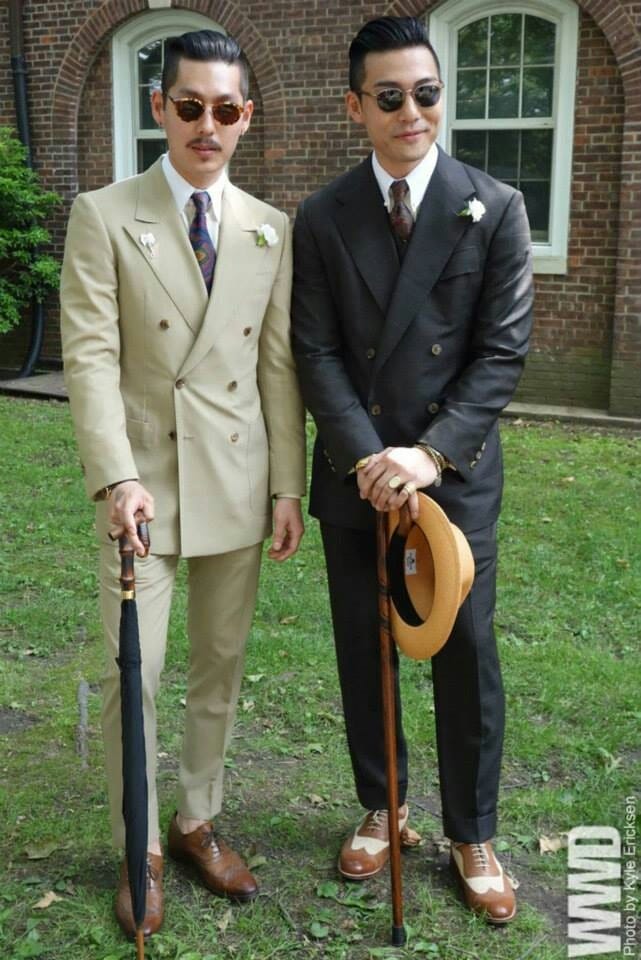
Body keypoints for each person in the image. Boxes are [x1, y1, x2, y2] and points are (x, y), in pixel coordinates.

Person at [60, 30, 305, 940]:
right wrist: (114, 476)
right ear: (160, 108)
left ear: (247, 118)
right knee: (139, 670)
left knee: (218, 670)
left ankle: (195, 819)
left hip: (239, 483)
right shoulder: (102, 212)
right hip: (145, 491)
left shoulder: (269, 227)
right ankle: (140, 849)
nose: (209, 125)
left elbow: (276, 367)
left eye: (226, 109)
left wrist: (287, 485)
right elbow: (88, 357)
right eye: (191, 106)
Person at [291, 16, 533, 924]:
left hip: (452, 475)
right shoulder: (321, 217)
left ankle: (471, 830)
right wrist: (369, 456)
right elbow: (313, 353)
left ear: (442, 96)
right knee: (365, 643)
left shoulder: (494, 205)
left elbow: (500, 355)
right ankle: (382, 806)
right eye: (389, 97)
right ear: (356, 105)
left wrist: (426, 455)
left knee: (465, 650)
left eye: (425, 93)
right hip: (358, 476)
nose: (411, 112)